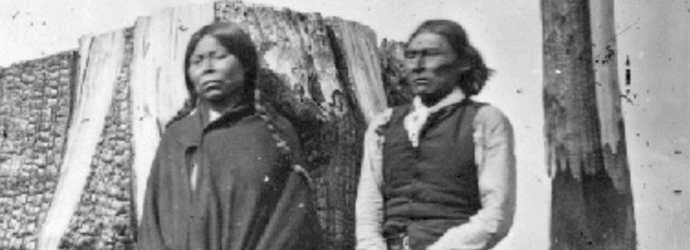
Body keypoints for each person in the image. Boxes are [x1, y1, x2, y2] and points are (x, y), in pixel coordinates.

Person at [136, 21, 323, 250]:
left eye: (219, 56)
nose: (208, 67)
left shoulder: (274, 136)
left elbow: (293, 223)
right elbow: (152, 227)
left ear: (245, 65)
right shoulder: (177, 138)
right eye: (197, 61)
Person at [355, 19, 516, 250]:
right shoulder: (384, 124)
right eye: (411, 55)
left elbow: (496, 216)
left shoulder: (485, 121)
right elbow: (369, 209)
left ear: (462, 63)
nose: (418, 65)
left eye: (431, 54)